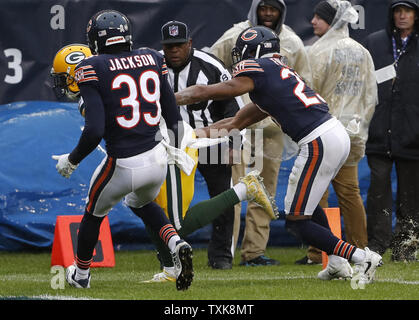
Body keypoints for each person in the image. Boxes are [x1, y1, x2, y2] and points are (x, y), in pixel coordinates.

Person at [50, 43, 278, 284]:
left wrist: (72, 159)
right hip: (161, 144)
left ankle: (243, 190)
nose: (66, 83)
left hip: (166, 146)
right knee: (141, 204)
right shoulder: (127, 66)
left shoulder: (96, 82)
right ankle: (170, 266)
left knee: (176, 223)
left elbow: (100, 128)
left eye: (67, 77)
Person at [175, 26, 383, 284]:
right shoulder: (275, 81)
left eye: (244, 54)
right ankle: (338, 262)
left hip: (318, 140)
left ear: (255, 52)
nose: (241, 60)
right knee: (309, 207)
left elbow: (210, 91)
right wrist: (190, 138)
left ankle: (360, 257)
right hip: (332, 135)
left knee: (296, 220)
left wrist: (168, 99)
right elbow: (232, 124)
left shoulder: (261, 69)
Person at [51, 10, 195, 290]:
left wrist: (72, 160)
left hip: (124, 161)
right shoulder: (152, 58)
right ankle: (176, 242)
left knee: (93, 211)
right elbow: (174, 117)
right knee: (140, 202)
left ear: (95, 39)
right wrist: (175, 150)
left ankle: (80, 275)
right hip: (156, 158)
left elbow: (94, 131)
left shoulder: (91, 67)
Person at [210, 0, 313, 266]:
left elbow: (303, 80)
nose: (268, 13)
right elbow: (211, 66)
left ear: (282, 11)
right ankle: (225, 252)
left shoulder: (291, 41)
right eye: (263, 8)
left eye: (274, 9)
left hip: (270, 128)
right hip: (239, 126)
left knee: (264, 192)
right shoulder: (234, 36)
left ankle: (254, 252)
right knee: (233, 191)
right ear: (255, 9)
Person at [159, 20, 245, 270]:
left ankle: (221, 256)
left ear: (190, 44)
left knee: (222, 197)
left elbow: (233, 107)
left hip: (210, 139)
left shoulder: (210, 65)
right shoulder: (153, 67)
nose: (174, 50)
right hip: (170, 143)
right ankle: (170, 253)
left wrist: (233, 144)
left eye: (178, 45)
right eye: (169, 46)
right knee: (167, 201)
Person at [298, 0, 377, 265]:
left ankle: (317, 253)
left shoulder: (317, 52)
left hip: (322, 133)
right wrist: (360, 126)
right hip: (352, 134)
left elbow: (308, 94)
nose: (312, 22)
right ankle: (360, 249)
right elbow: (370, 96)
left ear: (332, 21)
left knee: (315, 194)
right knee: (350, 193)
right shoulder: (362, 51)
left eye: (319, 18)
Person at [364, 0, 419, 261]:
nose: (402, 16)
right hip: (378, 132)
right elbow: (362, 83)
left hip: (413, 135)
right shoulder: (374, 42)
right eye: (398, 11)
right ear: (391, 14)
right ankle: (376, 245)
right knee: (377, 194)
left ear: (416, 15)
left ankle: (406, 248)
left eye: (407, 11)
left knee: (411, 196)